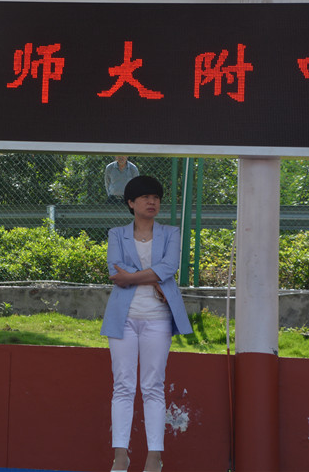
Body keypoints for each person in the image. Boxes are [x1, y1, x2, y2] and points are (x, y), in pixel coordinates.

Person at [100, 175, 193, 472]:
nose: (152, 202)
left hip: (158, 319)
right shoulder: (116, 234)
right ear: (131, 203)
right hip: (122, 319)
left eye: (156, 197)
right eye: (145, 197)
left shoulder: (171, 232)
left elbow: (170, 266)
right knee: (122, 386)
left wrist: (132, 277)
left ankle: (154, 457)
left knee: (153, 386)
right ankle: (120, 456)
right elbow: (115, 269)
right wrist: (153, 277)